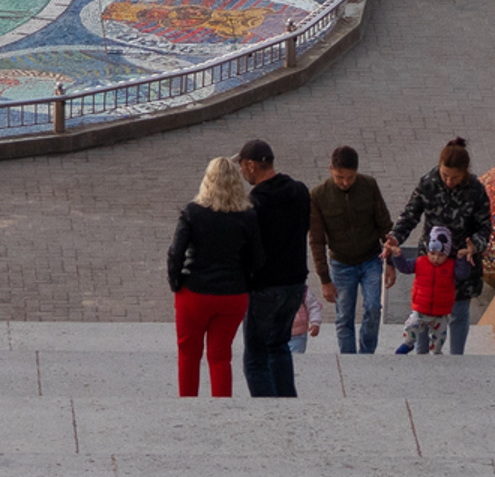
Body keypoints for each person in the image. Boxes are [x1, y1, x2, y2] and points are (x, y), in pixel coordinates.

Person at [385, 139, 493, 357]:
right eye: (445, 175)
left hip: (461, 260)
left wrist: (474, 246)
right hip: (431, 259)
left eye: (455, 177)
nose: (449, 181)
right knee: (424, 311)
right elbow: (410, 216)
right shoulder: (428, 183)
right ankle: (423, 357)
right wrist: (395, 238)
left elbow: (485, 226)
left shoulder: (475, 190)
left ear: (465, 172)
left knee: (459, 313)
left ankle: (456, 358)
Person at [168, 155, 259, 397]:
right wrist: (244, 282)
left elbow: (175, 252)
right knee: (220, 357)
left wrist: (176, 282)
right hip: (233, 295)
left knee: (188, 354)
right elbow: (256, 259)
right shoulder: (248, 216)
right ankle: (222, 409)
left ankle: (188, 406)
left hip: (195, 293)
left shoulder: (192, 212)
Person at [237, 136, 312, 399]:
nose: (242, 172)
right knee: (280, 347)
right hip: (295, 284)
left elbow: (249, 248)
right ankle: (287, 408)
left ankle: (267, 413)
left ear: (251, 165)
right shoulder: (300, 191)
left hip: (264, 287)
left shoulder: (255, 202)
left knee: (255, 359)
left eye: (242, 167)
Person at [309, 145, 395, 355]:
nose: (345, 183)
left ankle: (367, 354)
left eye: (350, 177)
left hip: (371, 258)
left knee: (373, 307)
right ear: (331, 169)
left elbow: (385, 225)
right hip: (341, 263)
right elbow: (316, 241)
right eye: (340, 178)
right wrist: (324, 279)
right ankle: (349, 360)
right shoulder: (318, 195)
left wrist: (391, 262)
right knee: (344, 316)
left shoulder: (369, 186)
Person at [399, 221, 458, 356]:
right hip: (421, 308)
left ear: (447, 255)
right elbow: (405, 267)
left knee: (440, 336)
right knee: (412, 324)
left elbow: (462, 274)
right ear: (427, 251)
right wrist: (398, 256)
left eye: (441, 255)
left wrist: (462, 259)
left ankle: (436, 352)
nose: (436, 258)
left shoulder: (450, 266)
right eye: (432, 253)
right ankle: (408, 343)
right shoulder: (421, 262)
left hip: (440, 312)